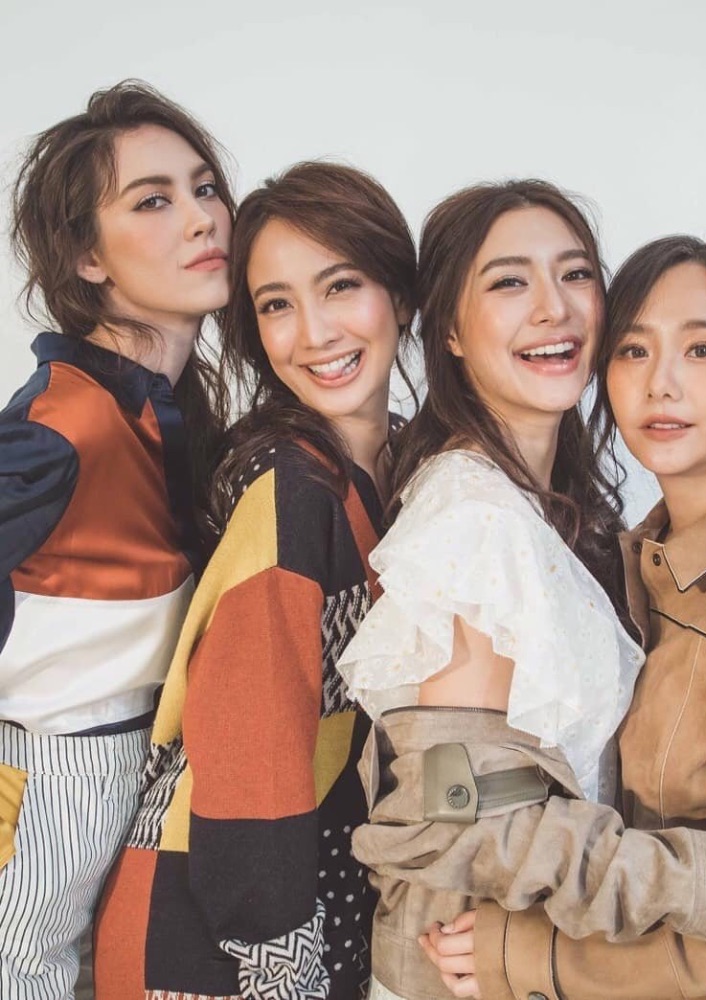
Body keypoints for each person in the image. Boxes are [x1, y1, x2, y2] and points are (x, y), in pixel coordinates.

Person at [338, 187, 706, 1000]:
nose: (553, 307)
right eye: (509, 282)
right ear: (450, 330)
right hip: (457, 968)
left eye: (576, 274)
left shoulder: (569, 520)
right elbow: (458, 816)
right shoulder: (477, 520)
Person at [93, 162, 417, 1000]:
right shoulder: (293, 489)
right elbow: (249, 757)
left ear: (400, 294)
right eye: (277, 305)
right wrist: (278, 963)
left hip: (300, 905)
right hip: (216, 936)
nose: (314, 333)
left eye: (340, 286)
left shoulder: (405, 467)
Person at [0, 80, 234, 999]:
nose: (201, 217)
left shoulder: (165, 407)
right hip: (52, 761)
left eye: (204, 187)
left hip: (132, 754)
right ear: (86, 258)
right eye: (152, 201)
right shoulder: (64, 424)